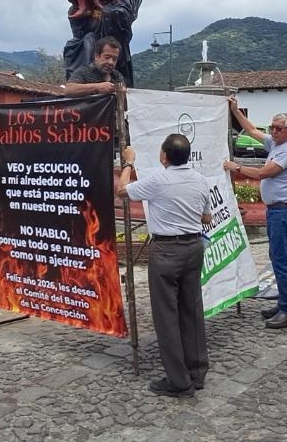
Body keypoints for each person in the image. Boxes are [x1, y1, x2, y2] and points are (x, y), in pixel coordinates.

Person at [117, 135, 212, 398]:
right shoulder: (200, 180)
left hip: (167, 250)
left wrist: (128, 163)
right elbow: (206, 217)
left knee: (166, 315)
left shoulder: (159, 180)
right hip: (193, 247)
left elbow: (122, 191)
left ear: (164, 157)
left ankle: (179, 381)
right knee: (191, 309)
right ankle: (197, 371)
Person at [223, 99, 287, 329]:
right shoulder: (276, 143)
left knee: (280, 261)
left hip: (283, 211)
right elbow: (251, 130)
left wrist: (235, 167)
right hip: (276, 210)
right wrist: (235, 110)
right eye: (272, 127)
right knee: (276, 259)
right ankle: (284, 302)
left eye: (278, 128)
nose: (273, 131)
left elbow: (262, 173)